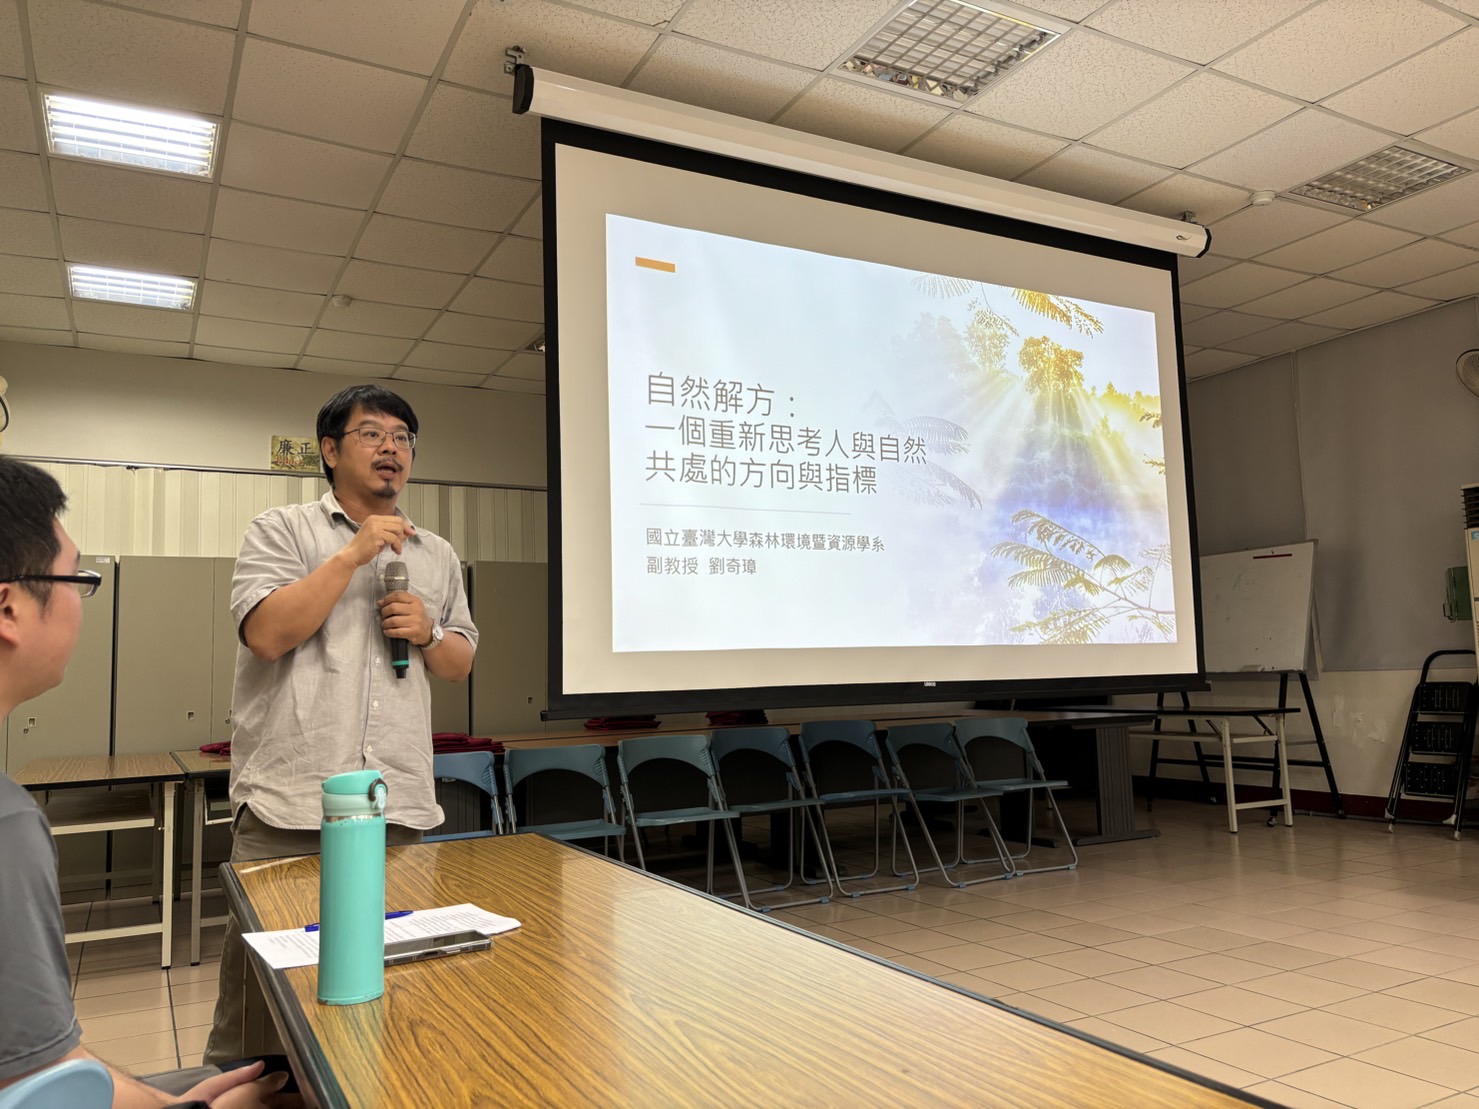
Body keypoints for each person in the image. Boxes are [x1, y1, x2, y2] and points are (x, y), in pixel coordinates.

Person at [0, 456, 292, 1107]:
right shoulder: (8, 823)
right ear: (9, 606)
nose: (83, 603)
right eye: (77, 579)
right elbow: (33, 1085)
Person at [204, 384, 477, 1064]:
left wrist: (429, 629)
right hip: (290, 805)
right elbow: (266, 635)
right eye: (372, 433)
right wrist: (352, 555)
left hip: (396, 806)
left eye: (403, 437)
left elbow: (459, 662)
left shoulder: (436, 554)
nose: (391, 448)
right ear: (329, 450)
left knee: (394, 991)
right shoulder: (280, 530)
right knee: (263, 1008)